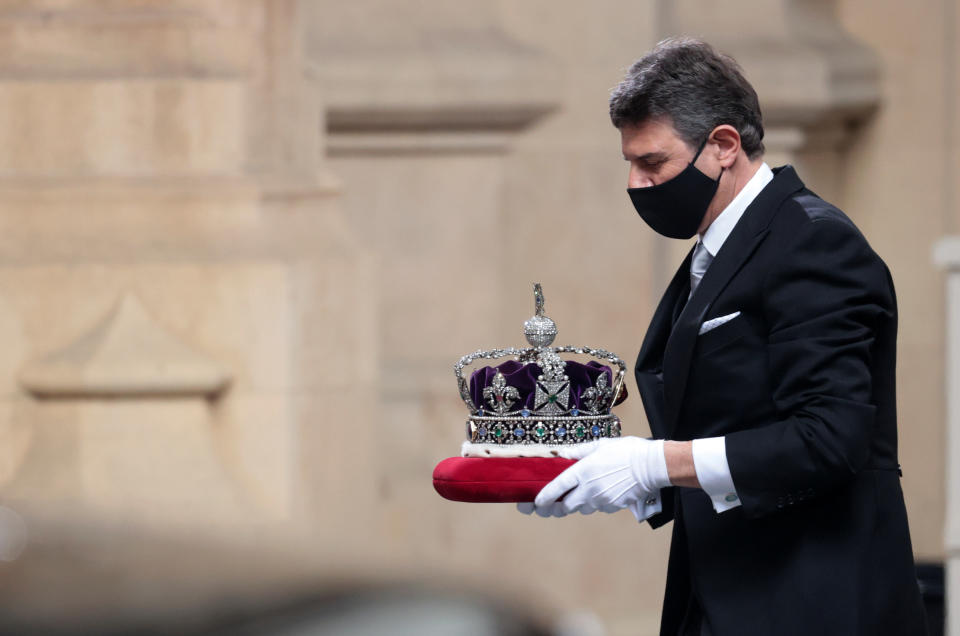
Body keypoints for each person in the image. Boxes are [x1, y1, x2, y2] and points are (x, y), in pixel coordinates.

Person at [519, 37, 928, 636]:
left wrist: (654, 464)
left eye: (653, 163)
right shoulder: (722, 247)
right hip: (726, 591)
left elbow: (830, 439)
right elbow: (731, 412)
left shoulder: (813, 242)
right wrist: (627, 480)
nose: (636, 183)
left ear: (723, 146)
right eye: (629, 163)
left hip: (815, 602)